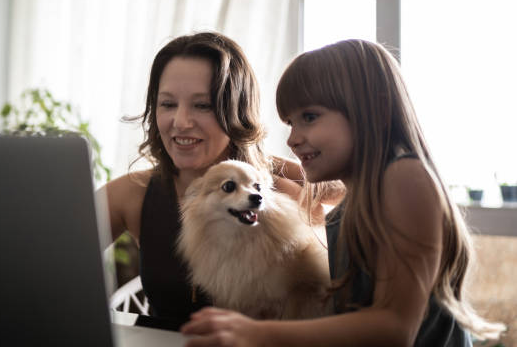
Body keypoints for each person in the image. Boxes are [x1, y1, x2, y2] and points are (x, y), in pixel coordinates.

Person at [180, 39, 506, 346]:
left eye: (309, 117)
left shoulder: (404, 176)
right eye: (290, 122)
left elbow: (395, 328)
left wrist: (260, 333)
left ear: (370, 109)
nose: (293, 138)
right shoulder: (356, 199)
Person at [98, 32, 332, 324]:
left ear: (236, 111)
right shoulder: (133, 194)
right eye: (168, 104)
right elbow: (48, 254)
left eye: (203, 105)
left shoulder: (283, 198)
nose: (181, 122)